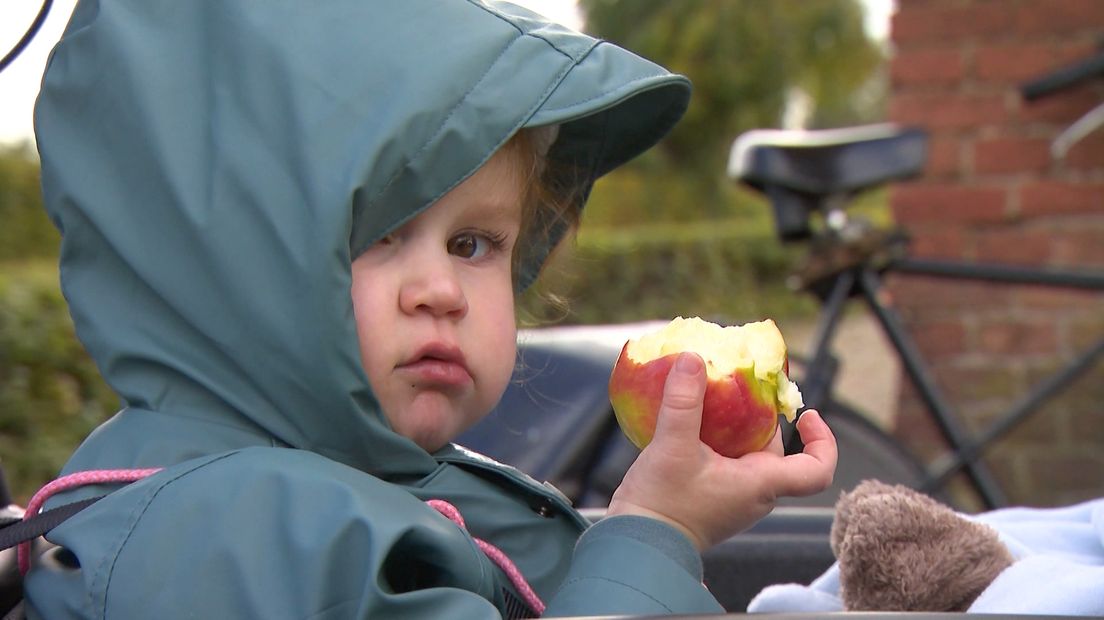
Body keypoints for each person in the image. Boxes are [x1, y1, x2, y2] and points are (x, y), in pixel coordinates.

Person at [25, 1, 837, 617]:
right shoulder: (225, 543)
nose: (442, 291)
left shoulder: (353, 485)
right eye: (378, 235)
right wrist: (657, 534)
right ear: (216, 271)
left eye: (475, 245)